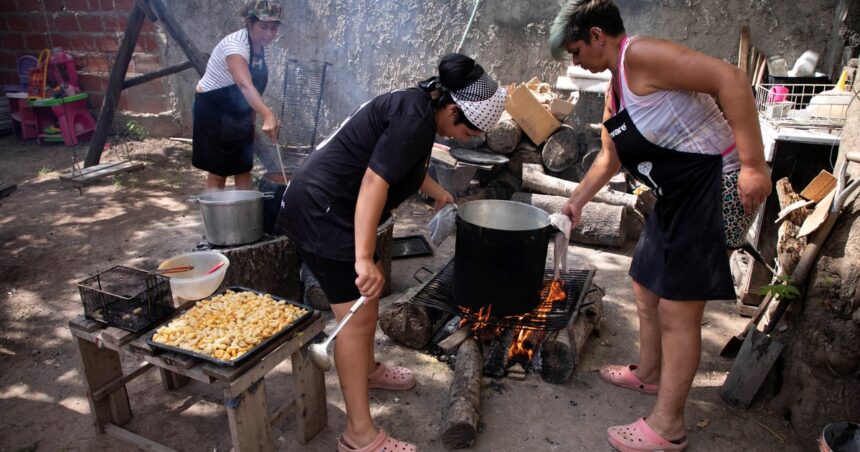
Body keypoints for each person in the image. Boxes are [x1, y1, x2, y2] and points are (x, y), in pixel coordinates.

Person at [549, 1, 772, 451]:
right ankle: (650, 375)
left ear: (597, 35)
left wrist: (753, 163)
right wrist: (575, 202)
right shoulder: (615, 87)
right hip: (677, 193)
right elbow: (610, 158)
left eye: (575, 50)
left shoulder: (642, 55)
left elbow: (728, 78)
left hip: (716, 186)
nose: (575, 62)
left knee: (677, 309)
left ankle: (669, 426)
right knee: (644, 283)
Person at [275, 53, 506, 452]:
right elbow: (373, 183)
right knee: (356, 318)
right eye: (466, 131)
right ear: (453, 109)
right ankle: (358, 436)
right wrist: (363, 258)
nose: (464, 139)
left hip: (330, 206)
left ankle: (366, 371)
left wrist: (438, 193)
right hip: (322, 211)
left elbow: (407, 164)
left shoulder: (419, 105)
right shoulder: (415, 120)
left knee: (367, 301)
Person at [191, 1, 281, 191]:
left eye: (274, 28)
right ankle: (215, 220)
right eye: (263, 26)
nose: (269, 34)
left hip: (238, 111)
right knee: (218, 172)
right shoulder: (236, 46)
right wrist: (268, 114)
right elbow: (245, 85)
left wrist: (251, 122)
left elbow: (256, 86)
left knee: (243, 168)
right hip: (213, 110)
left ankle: (245, 217)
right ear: (250, 24)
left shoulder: (261, 46)